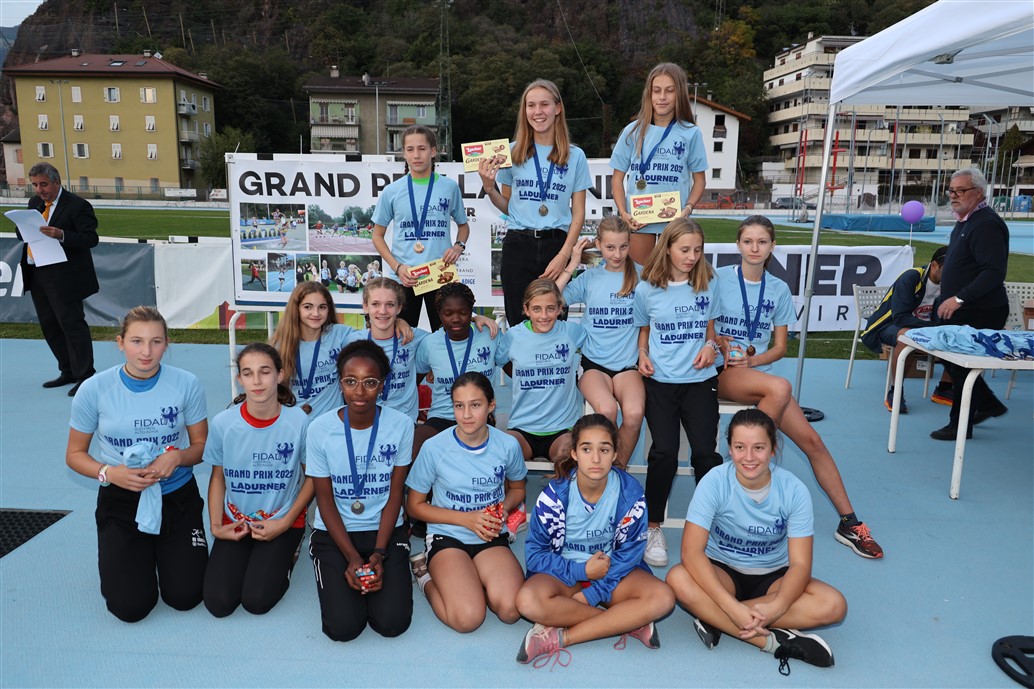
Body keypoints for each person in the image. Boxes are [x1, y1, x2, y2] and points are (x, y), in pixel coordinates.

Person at [714, 216, 884, 560]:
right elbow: (703, 325)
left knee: (813, 442)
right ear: (738, 244)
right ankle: (740, 480)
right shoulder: (717, 279)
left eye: (762, 242)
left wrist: (753, 361)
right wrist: (720, 343)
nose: (754, 248)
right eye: (748, 241)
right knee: (780, 387)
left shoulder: (777, 288)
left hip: (761, 376)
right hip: (725, 372)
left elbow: (780, 348)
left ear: (772, 246)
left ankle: (849, 523)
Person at [665, 409, 847, 675]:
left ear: (773, 449)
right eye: (740, 447)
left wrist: (777, 607)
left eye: (759, 448)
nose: (749, 457)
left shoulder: (794, 490)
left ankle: (714, 619)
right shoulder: (714, 482)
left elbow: (800, 564)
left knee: (834, 605)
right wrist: (732, 608)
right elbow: (691, 552)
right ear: (730, 449)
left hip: (773, 577)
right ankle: (773, 642)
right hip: (722, 571)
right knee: (677, 579)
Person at [65, 306, 208, 622]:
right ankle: (139, 551)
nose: (146, 352)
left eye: (156, 342)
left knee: (187, 596)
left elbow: (201, 447)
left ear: (166, 344)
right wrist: (109, 473)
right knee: (130, 608)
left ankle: (163, 548)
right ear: (120, 343)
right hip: (121, 500)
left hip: (177, 496)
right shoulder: (94, 389)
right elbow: (74, 454)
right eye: (136, 341)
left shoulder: (186, 383)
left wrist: (178, 457)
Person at [514, 414, 675, 667]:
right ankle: (627, 621)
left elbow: (630, 555)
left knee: (663, 598)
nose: (596, 459)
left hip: (613, 575)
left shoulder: (630, 493)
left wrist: (594, 593)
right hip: (565, 575)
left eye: (604, 449)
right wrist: (582, 571)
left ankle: (562, 637)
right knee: (527, 601)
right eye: (587, 449)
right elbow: (535, 555)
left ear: (615, 453)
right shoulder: (555, 496)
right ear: (575, 453)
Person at [306, 341, 415, 641]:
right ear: (340, 383)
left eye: (370, 382)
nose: (359, 391)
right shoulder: (319, 429)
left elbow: (396, 494)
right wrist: (352, 557)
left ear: (382, 385)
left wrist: (379, 553)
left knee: (392, 624)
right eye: (350, 381)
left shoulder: (401, 425)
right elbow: (324, 500)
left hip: (385, 530)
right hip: (335, 532)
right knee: (343, 628)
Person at [405, 372, 527, 632]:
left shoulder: (508, 445)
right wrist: (467, 519)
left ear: (491, 405)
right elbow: (414, 506)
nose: (467, 414)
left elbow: (518, 489)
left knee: (511, 610)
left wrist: (503, 509)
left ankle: (475, 581)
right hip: (448, 535)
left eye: (475, 405)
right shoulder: (434, 448)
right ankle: (424, 575)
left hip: (490, 535)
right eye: (459, 406)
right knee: (468, 619)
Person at [633, 218, 722, 567]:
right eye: (685, 249)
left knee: (705, 455)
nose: (691, 256)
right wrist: (642, 354)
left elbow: (711, 330)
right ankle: (652, 527)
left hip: (699, 381)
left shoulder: (708, 282)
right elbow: (644, 331)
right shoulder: (647, 288)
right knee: (665, 453)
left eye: (697, 250)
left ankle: (712, 526)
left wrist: (711, 347)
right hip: (661, 383)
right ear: (667, 248)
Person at [203, 343, 313, 618]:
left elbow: (313, 478)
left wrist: (284, 523)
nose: (257, 381)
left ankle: (290, 550)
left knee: (256, 601)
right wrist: (217, 527)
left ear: (280, 375)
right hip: (236, 520)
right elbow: (218, 477)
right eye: (248, 373)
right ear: (239, 379)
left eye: (265, 372)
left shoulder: (299, 421)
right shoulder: (223, 423)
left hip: (282, 519)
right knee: (219, 603)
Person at [477, 78, 593, 326]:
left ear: (557, 108)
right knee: (519, 323)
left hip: (557, 246)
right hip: (519, 245)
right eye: (531, 105)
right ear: (524, 110)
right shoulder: (510, 152)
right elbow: (508, 206)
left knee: (554, 322)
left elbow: (579, 214)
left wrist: (563, 255)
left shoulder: (575, 156)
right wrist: (489, 188)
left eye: (544, 104)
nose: (537, 112)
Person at [496, 279, 587, 534]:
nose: (544, 315)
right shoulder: (514, 336)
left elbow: (604, 343)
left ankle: (561, 512)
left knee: (572, 454)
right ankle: (515, 510)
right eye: (536, 309)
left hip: (561, 429)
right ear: (526, 309)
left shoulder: (572, 333)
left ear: (560, 308)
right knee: (503, 450)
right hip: (523, 428)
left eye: (550, 308)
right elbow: (500, 359)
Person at [555, 216, 644, 467]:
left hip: (627, 365)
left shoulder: (642, 276)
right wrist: (573, 263)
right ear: (598, 244)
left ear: (630, 244)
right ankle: (606, 471)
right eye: (610, 247)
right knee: (607, 411)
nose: (617, 254)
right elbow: (552, 297)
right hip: (593, 364)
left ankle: (617, 470)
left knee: (634, 414)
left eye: (623, 247)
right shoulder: (590, 278)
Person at [930, 167, 1010, 440]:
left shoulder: (985, 224)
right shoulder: (965, 221)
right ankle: (987, 404)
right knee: (948, 358)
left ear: (978, 193)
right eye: (951, 190)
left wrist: (959, 298)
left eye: (960, 190)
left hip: (980, 310)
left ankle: (960, 426)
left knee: (962, 368)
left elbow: (994, 271)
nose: (953, 195)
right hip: (960, 308)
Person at [610, 63, 709, 267]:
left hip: (674, 223)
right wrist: (623, 212)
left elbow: (699, 181)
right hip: (639, 222)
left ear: (679, 94)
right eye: (657, 90)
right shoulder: (632, 131)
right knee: (639, 279)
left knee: (673, 280)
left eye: (669, 91)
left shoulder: (691, 133)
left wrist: (686, 210)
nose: (662, 97)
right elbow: (617, 179)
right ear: (649, 93)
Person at [372, 125, 469, 330]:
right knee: (401, 337)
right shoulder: (392, 191)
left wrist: (458, 246)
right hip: (405, 277)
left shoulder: (449, 187)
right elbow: (377, 236)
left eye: (422, 148)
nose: (416, 155)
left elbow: (463, 226)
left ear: (433, 151)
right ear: (404, 153)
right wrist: (398, 267)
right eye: (410, 149)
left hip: (439, 275)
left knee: (446, 335)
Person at [270, 281, 412, 417]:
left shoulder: (340, 334)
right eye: (308, 307)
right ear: (296, 309)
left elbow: (375, 331)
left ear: (329, 309)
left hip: (330, 424)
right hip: (294, 421)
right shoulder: (280, 346)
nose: (316, 313)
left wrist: (398, 321)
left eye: (322, 307)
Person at [20, 162, 99, 396]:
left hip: (65, 277)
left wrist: (62, 234)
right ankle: (68, 370)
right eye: (35, 185)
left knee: (72, 325)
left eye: (43, 184)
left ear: (57, 182)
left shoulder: (78, 205)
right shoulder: (34, 203)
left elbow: (90, 238)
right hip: (38, 273)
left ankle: (85, 376)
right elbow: (23, 233)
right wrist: (23, 227)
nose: (39, 190)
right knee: (50, 325)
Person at [861, 245, 953, 412]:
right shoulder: (911, 277)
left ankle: (944, 388)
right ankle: (895, 391)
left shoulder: (950, 284)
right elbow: (900, 317)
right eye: (949, 270)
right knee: (908, 338)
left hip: (927, 328)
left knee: (959, 336)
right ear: (934, 266)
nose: (953, 274)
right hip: (888, 325)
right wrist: (934, 328)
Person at [413, 283, 500, 456]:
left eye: (463, 312)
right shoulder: (430, 344)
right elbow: (413, 381)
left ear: (471, 312)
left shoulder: (490, 336)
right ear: (439, 314)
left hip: (479, 417)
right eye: (448, 313)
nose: (456, 319)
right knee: (415, 445)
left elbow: (517, 368)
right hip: (442, 417)